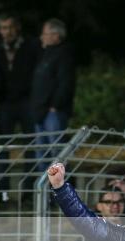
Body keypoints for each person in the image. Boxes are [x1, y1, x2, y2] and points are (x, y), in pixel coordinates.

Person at [0, 13, 39, 136]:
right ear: (0, 30)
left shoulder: (32, 45)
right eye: (4, 28)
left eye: (11, 27)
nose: (8, 32)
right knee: (3, 141)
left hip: (27, 100)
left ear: (18, 27)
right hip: (4, 102)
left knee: (31, 139)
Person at [30, 18, 75, 151]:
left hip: (53, 112)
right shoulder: (45, 55)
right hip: (40, 111)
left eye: (45, 34)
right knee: (42, 151)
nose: (42, 37)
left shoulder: (64, 55)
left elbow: (66, 83)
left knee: (56, 151)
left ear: (56, 36)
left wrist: (55, 105)